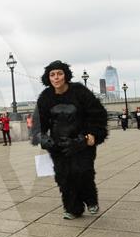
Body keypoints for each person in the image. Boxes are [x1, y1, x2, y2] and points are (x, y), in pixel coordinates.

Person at [35, 61, 108, 219]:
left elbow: (99, 114)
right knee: (64, 176)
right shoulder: (45, 97)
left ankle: (91, 200)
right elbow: (38, 123)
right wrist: (42, 138)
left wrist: (89, 137)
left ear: (66, 75)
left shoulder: (80, 92)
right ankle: (72, 208)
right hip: (58, 145)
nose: (56, 78)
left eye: (59, 73)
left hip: (81, 142)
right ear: (48, 78)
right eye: (52, 74)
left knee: (83, 172)